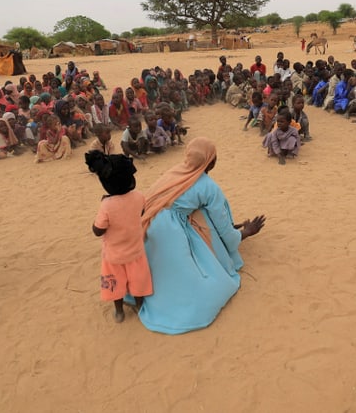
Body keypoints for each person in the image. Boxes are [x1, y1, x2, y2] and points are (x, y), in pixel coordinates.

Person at [137, 138, 266, 334]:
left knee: (199, 214)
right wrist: (244, 234)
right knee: (208, 285)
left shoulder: (173, 173)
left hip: (148, 229)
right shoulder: (208, 186)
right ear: (211, 161)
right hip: (171, 233)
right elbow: (222, 226)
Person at [85, 151, 152, 323]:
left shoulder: (106, 205)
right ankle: (139, 306)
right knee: (138, 280)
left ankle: (119, 312)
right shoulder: (139, 196)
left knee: (115, 283)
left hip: (114, 255)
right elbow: (142, 212)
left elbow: (98, 230)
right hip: (136, 250)